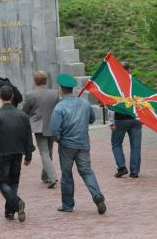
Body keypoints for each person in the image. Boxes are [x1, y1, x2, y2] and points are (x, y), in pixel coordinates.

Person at [50, 73, 106, 214]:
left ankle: (68, 205)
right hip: (82, 143)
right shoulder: (85, 103)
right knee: (86, 171)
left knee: (67, 174)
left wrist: (59, 140)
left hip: (67, 145)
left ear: (61, 89)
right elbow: (92, 119)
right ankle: (97, 194)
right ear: (73, 89)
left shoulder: (59, 107)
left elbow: (54, 130)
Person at [0, 86, 35, 222]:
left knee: (2, 183)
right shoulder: (22, 115)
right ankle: (10, 211)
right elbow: (28, 136)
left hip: (1, 154)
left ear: (0, 97)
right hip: (18, 152)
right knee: (14, 181)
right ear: (12, 96)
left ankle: (16, 202)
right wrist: (28, 154)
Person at [22, 71, 59, 188]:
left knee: (44, 152)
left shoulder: (30, 95)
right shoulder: (55, 93)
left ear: (35, 81)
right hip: (52, 124)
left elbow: (25, 111)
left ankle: (52, 176)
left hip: (38, 126)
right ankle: (45, 176)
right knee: (49, 152)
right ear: (46, 80)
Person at [108, 61, 142, 178]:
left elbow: (112, 104)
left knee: (116, 144)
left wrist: (111, 121)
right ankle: (135, 171)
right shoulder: (135, 83)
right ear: (129, 70)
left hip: (120, 119)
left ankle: (122, 167)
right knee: (136, 146)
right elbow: (141, 99)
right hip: (135, 118)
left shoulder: (115, 85)